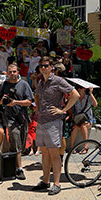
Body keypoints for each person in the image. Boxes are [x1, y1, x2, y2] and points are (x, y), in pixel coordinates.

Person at [31, 60, 79, 195]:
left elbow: (75, 94)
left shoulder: (58, 80)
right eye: (41, 66)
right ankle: (45, 181)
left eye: (46, 66)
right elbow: (37, 95)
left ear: (51, 67)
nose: (44, 68)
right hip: (41, 121)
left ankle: (56, 184)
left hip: (53, 122)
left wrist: (63, 110)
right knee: (44, 153)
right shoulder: (41, 82)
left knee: (54, 154)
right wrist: (37, 109)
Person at [0, 64, 34, 181]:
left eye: (14, 71)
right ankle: (19, 168)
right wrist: (2, 101)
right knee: (15, 142)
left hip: (22, 117)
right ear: (7, 73)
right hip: (10, 118)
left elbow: (29, 102)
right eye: (10, 72)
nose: (12, 74)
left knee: (21, 144)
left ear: (18, 72)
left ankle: (13, 165)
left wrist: (15, 102)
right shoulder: (4, 85)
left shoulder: (24, 85)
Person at [69, 85, 96, 154]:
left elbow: (95, 104)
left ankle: (86, 147)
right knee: (75, 127)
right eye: (77, 88)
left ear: (84, 89)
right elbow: (70, 108)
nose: (78, 89)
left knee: (83, 126)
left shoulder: (88, 97)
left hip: (87, 119)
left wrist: (91, 93)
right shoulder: (75, 97)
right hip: (78, 119)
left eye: (80, 88)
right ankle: (72, 147)